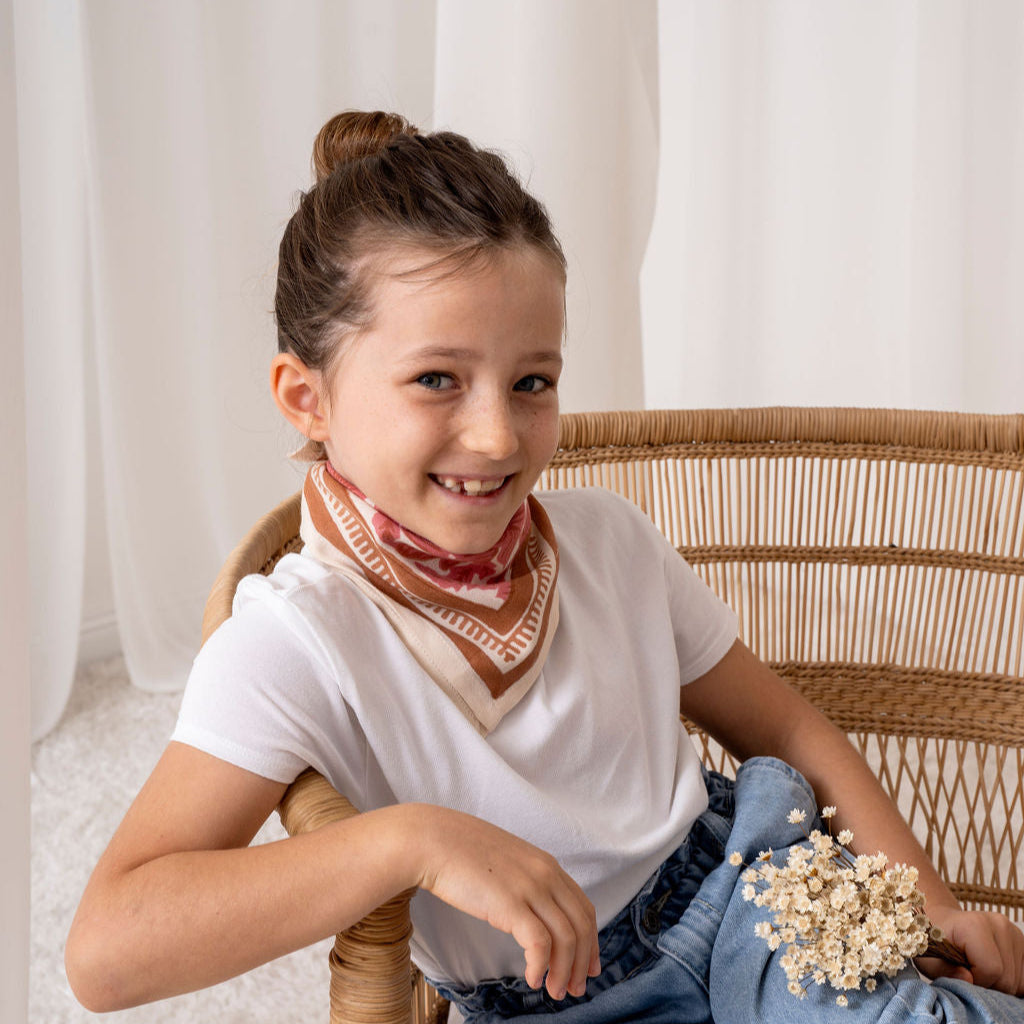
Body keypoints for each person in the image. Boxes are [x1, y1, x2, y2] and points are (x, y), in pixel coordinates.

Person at [66, 110, 1024, 1023]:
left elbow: (784, 726)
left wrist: (921, 903)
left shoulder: (608, 538)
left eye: (533, 381)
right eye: (436, 379)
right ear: (306, 397)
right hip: (552, 998)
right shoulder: (292, 637)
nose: (495, 434)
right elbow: (108, 950)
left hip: (756, 900)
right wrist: (414, 840)